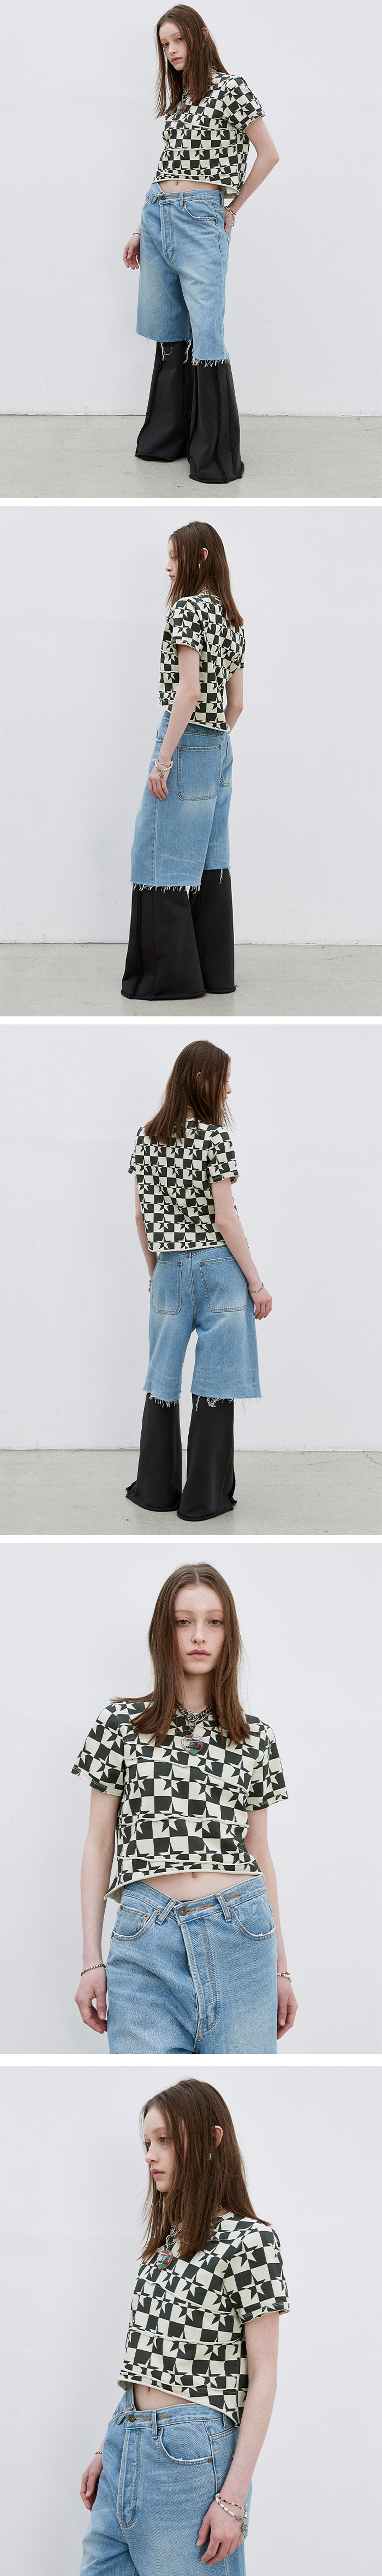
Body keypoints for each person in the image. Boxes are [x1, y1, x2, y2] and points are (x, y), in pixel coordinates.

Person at [73, 1562, 297, 2054]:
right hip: (145, 1941)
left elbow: (259, 1850)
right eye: (183, 1621)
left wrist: (282, 1968)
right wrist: (91, 1959)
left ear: (228, 1634)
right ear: (164, 1631)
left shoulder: (254, 1736)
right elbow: (99, 1841)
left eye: (214, 1622)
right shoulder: (120, 1724)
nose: (199, 1636)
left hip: (243, 1937)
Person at [79, 2079, 290, 2574]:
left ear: (212, 2139)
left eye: (165, 2140)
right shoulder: (165, 2244)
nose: (150, 2155)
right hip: (126, 2442)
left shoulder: (250, 2240)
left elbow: (264, 2376)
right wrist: (111, 2445)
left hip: (190, 2459)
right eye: (147, 2142)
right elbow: (146, 2361)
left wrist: (233, 2499)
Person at [123, 11, 279, 484]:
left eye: (178, 40)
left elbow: (269, 154)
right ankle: (168, 439)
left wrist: (233, 207)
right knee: (170, 329)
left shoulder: (232, 89)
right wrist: (139, 229)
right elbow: (166, 165)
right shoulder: (181, 101)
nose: (172, 51)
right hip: (157, 214)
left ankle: (213, 455)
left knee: (207, 334)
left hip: (200, 218)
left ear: (201, 37)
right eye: (164, 44)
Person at [126, 1039, 272, 1521]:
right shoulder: (214, 1139)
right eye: (225, 1079)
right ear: (202, 1079)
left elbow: (140, 1218)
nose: (229, 1089)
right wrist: (256, 1284)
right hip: (219, 1270)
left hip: (169, 1267)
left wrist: (156, 1272)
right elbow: (225, 1219)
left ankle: (156, 1492)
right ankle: (204, 1498)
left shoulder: (146, 1137)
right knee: (216, 1382)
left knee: (161, 1381)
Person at [121, 521, 244, 1002]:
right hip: (220, 748)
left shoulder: (187, 610)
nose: (168, 567)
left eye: (174, 557)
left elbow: (188, 691)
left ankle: (169, 979)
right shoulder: (232, 617)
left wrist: (165, 761)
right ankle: (215, 975)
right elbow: (237, 704)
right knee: (211, 858)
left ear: (200, 557)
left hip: (186, 741)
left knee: (158, 854)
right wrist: (213, 745)